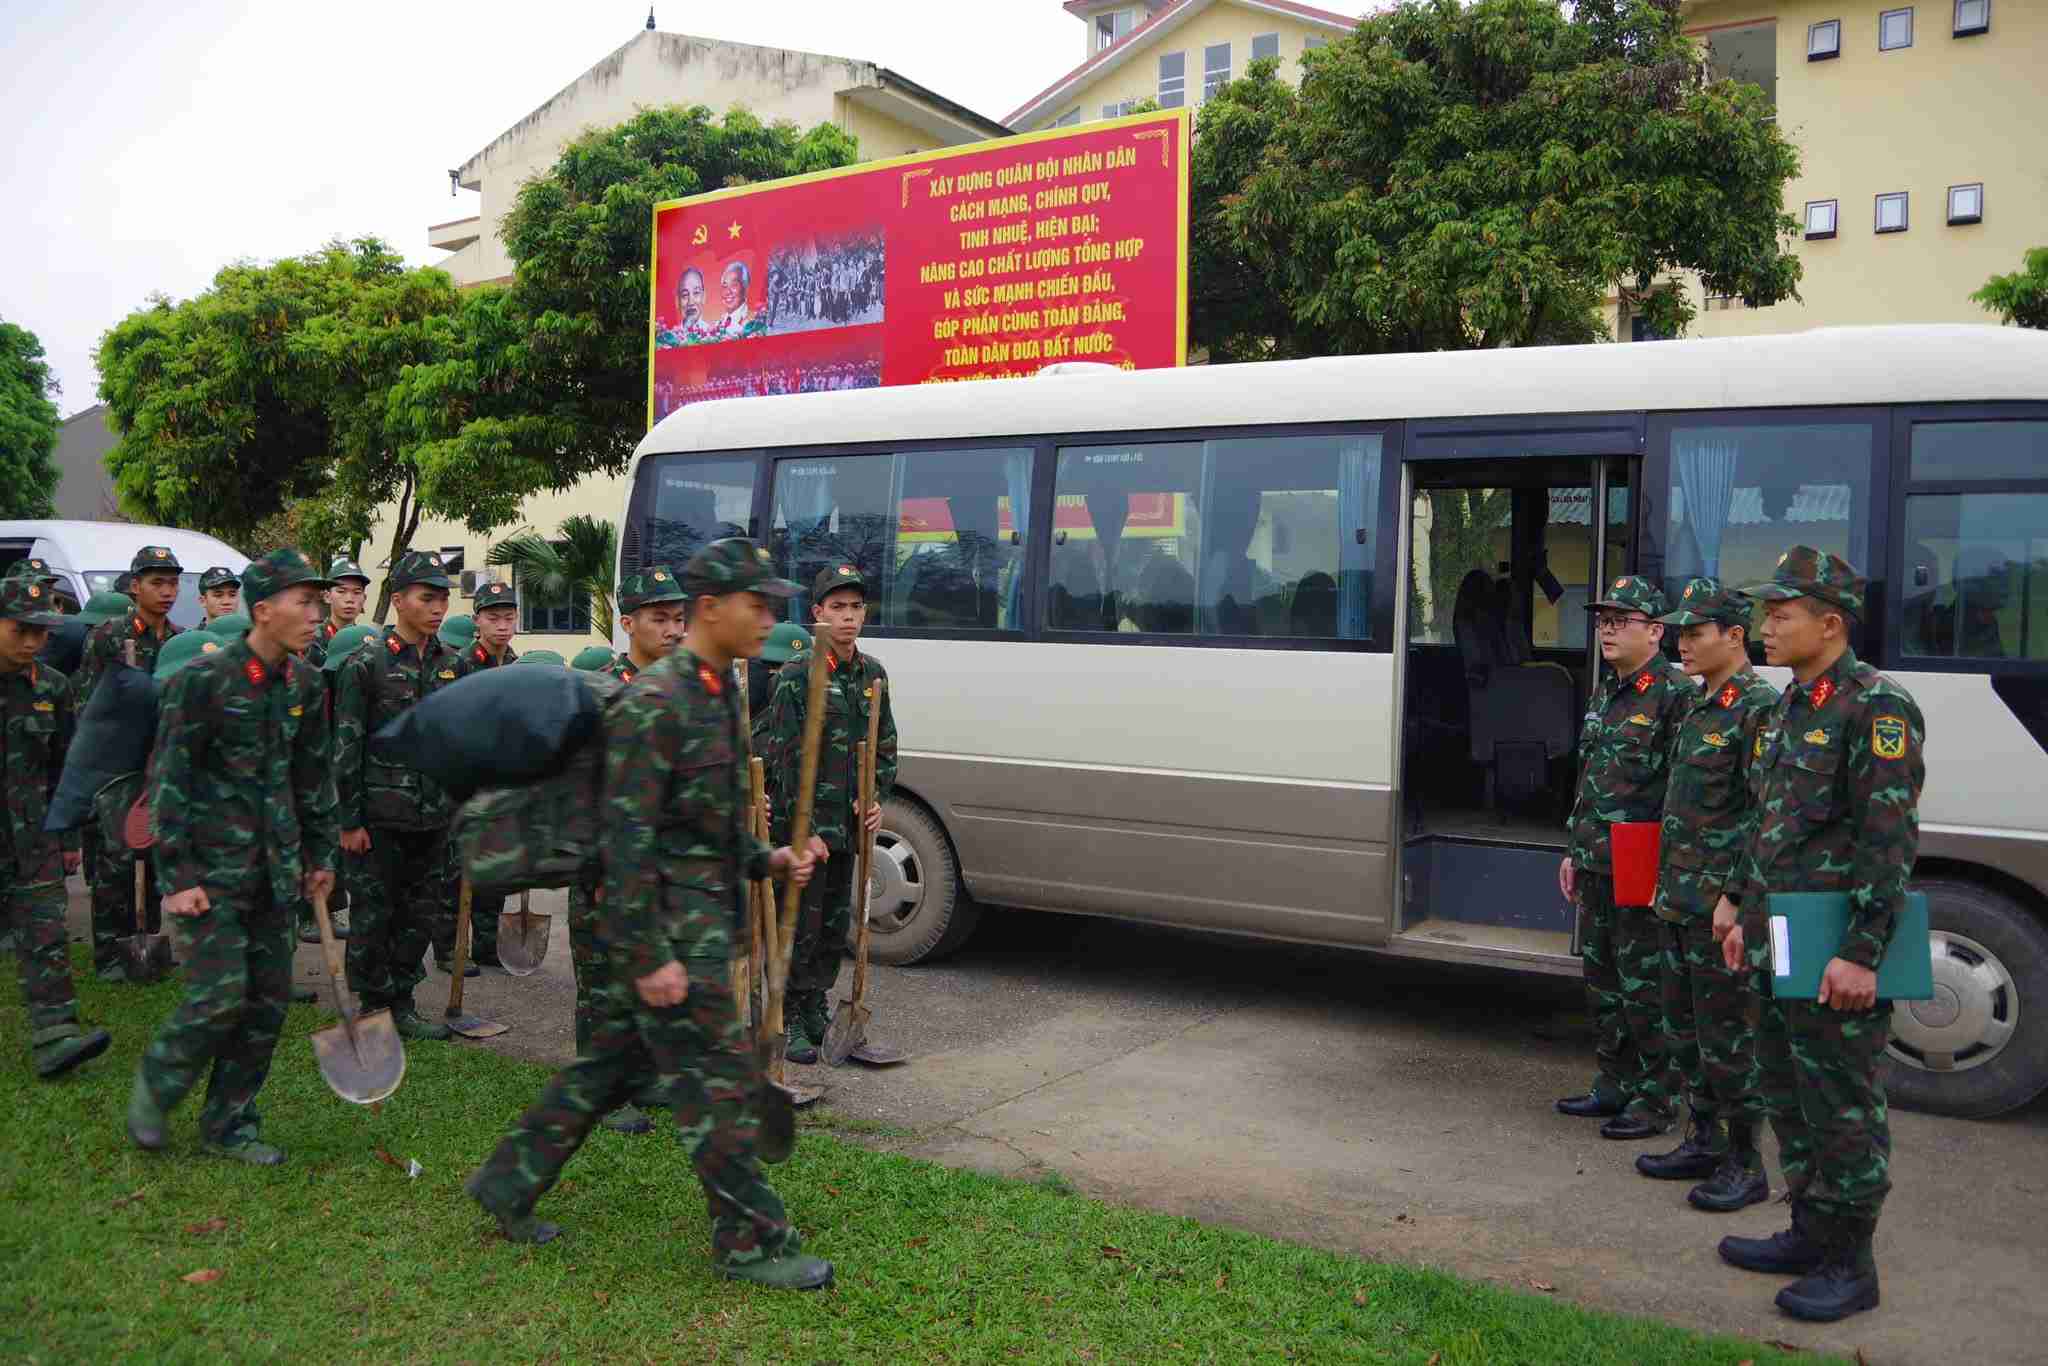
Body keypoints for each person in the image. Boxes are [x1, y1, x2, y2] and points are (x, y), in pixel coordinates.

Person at [465, 538, 834, 1290]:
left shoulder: (720, 690)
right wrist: (648, 955)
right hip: (667, 935)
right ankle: (751, 1242)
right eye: (755, 604)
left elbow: (701, 822)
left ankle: (508, 1181)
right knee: (719, 1089)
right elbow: (624, 840)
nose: (768, 618)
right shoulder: (655, 700)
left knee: (607, 1070)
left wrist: (765, 859)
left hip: (698, 922)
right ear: (710, 608)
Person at [1711, 547, 1925, 1323]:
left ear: (1829, 624)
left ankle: (1851, 1262)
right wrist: (1736, 902)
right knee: (1788, 1091)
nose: (1765, 626)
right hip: (1779, 936)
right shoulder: (1784, 709)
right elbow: (1765, 821)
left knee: (1841, 1102)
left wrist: (1863, 952)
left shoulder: (1877, 708)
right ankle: (1808, 1229)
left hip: (1836, 943)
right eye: (1766, 613)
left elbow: (1888, 842)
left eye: (1781, 614)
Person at [124, 550, 340, 1164]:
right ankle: (155, 1092)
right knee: (218, 997)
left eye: (318, 602)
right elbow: (167, 780)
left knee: (266, 1006)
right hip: (211, 877)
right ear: (265, 609)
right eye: (304, 601)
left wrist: (320, 855)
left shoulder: (305, 683)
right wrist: (178, 875)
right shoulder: (204, 681)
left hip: (276, 877)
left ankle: (230, 1124)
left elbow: (313, 779)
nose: (316, 613)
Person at [1631, 579, 1778, 1209]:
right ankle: (1704, 1139)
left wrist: (1736, 898)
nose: (1681, 643)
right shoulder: (1697, 704)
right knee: (1685, 1031)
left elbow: (1763, 814)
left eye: (1695, 633)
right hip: (1676, 900)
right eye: (1679, 632)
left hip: (1716, 909)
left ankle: (1746, 1162)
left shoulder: (1757, 708)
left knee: (1728, 1042)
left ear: (1735, 636)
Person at [1555, 576, 1692, 1138]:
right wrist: (1572, 848)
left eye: (1621, 620)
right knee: (1603, 980)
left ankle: (1656, 1099)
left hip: (1642, 862)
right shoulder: (1607, 690)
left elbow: (1683, 793)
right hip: (1594, 859)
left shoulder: (1676, 696)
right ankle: (1613, 1082)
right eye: (1602, 619)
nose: (1607, 629)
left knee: (1646, 986)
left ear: (1656, 631)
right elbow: (1590, 780)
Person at [563, 567, 690, 1135]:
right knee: (604, 980)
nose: (672, 630)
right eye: (659, 619)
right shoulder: (601, 687)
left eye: (678, 619)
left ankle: (641, 1075)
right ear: (628, 622)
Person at [758, 563, 897, 1066]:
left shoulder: (872, 674)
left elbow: (885, 745)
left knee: (836, 925)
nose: (848, 617)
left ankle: (816, 1005)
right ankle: (788, 1014)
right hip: (805, 831)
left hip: (849, 828)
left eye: (856, 607)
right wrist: (805, 828)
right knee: (802, 924)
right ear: (817, 614)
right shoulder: (798, 678)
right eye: (837, 607)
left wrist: (874, 794)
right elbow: (784, 761)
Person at [332, 550, 469, 1039]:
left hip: (434, 817)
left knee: (420, 914)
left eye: (442, 600)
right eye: (427, 598)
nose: (437, 609)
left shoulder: (454, 664)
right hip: (378, 817)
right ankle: (372, 1004)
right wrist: (349, 822)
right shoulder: (365, 664)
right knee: (373, 915)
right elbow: (347, 747)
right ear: (397, 601)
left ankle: (403, 1001)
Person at [0, 576, 110, 1079]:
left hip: (35, 834)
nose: (31, 641)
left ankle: (56, 1036)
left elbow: (67, 766)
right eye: (21, 629)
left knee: (45, 931)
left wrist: (67, 837)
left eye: (41, 632)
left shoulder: (52, 688)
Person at [74, 546, 185, 983]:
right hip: (118, 766)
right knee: (116, 859)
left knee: (153, 854)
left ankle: (148, 941)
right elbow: (86, 705)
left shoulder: (180, 638)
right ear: (135, 585)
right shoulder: (108, 637)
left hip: (162, 766)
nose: (166, 591)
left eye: (173, 582)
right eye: (157, 582)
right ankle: (109, 953)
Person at [306, 556, 372, 667]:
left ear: (364, 598)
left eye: (356, 592)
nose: (349, 599)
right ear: (327, 597)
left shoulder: (369, 642)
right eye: (341, 591)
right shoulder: (311, 641)